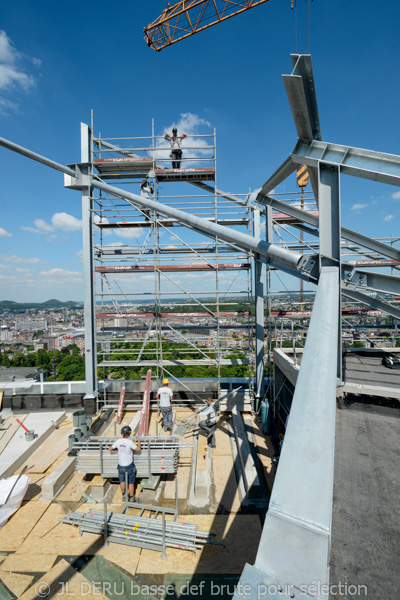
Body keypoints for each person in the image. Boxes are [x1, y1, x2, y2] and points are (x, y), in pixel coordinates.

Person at [108, 425, 141, 502]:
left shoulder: (118, 441)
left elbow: (110, 448)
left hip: (121, 466)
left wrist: (119, 447)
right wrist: (139, 442)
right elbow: (138, 449)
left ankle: (124, 496)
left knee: (122, 481)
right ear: (128, 434)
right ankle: (132, 497)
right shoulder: (130, 442)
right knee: (131, 482)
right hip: (129, 466)